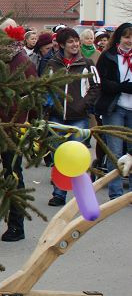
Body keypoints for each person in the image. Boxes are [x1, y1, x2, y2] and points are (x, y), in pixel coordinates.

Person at [42, 27, 101, 205]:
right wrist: (49, 103)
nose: (75, 44)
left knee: (77, 158)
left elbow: (96, 87)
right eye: (70, 41)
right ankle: (59, 194)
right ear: (61, 44)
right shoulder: (52, 64)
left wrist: (83, 104)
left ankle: (82, 197)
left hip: (79, 117)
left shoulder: (87, 63)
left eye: (76, 41)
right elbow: (44, 86)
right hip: (56, 117)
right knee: (58, 156)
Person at [0, 23, 40, 240]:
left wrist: (28, 123)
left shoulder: (22, 62)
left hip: (12, 128)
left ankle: (16, 224)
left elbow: (32, 98)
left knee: (12, 174)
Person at [94, 22, 132, 200]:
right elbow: (103, 82)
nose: (129, 41)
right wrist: (122, 87)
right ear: (119, 38)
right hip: (115, 107)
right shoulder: (108, 56)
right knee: (114, 151)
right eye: (126, 37)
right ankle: (115, 194)